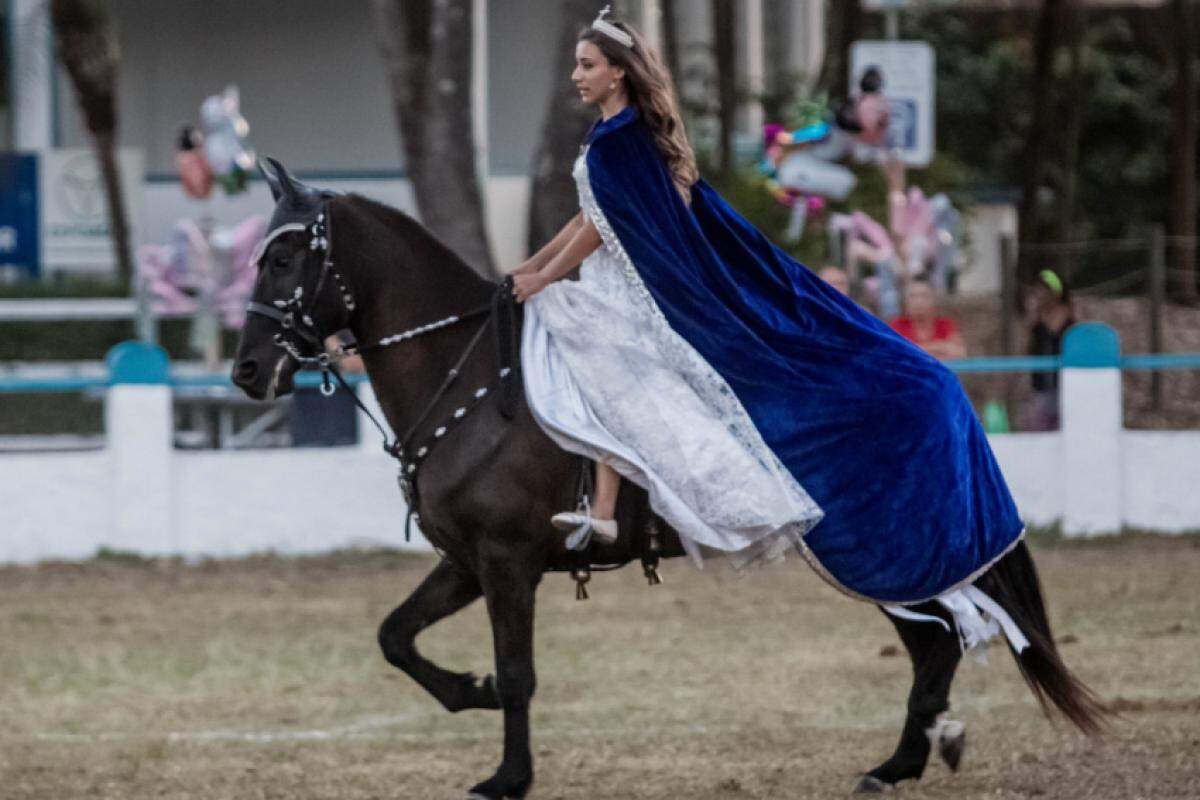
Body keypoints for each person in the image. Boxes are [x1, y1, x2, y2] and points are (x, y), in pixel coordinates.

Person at [510, 8, 1023, 611]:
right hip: (619, 269)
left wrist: (545, 276)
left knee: (604, 360)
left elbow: (603, 223)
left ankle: (605, 508)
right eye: (577, 64)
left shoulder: (621, 144)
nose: (577, 75)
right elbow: (586, 213)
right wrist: (533, 267)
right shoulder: (609, 141)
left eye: (587, 65)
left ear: (619, 74)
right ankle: (599, 502)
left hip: (639, 285)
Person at [1021, 270, 1075, 431]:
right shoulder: (1037, 318)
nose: (1041, 293)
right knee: (1039, 428)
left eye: (1045, 289)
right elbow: (1029, 345)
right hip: (1041, 384)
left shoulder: (1068, 317)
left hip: (1063, 382)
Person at [889, 278, 967, 361]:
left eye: (924, 296)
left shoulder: (945, 324)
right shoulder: (897, 325)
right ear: (905, 302)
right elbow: (893, 354)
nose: (918, 301)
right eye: (913, 296)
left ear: (933, 301)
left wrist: (913, 352)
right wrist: (938, 346)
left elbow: (960, 354)